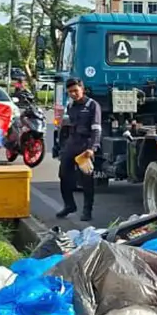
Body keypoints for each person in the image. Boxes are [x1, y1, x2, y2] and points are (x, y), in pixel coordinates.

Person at [56, 78, 100, 222]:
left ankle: (87, 210)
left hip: (85, 146)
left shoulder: (92, 105)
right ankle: (69, 205)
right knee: (63, 175)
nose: (73, 94)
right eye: (70, 92)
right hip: (71, 144)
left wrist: (92, 148)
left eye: (75, 90)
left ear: (82, 89)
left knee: (86, 180)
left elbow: (96, 129)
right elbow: (65, 127)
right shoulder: (70, 105)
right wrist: (61, 146)